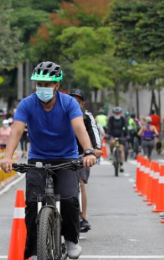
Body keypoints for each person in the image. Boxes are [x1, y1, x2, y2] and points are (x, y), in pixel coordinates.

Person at [0, 61, 97, 260]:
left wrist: (88, 152)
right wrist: (7, 156)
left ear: (57, 85)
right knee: (32, 203)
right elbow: (17, 130)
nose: (42, 88)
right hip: (38, 158)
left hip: (66, 158)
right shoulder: (27, 103)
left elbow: (79, 128)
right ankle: (35, 250)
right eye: (39, 84)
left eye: (47, 84)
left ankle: (71, 240)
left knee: (70, 200)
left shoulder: (68, 103)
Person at [68, 89, 102, 233]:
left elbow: (94, 134)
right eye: (72, 101)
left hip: (81, 155)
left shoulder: (87, 117)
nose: (75, 104)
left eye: (78, 101)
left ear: (83, 103)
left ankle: (82, 218)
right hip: (60, 155)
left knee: (80, 183)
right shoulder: (60, 114)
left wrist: (96, 149)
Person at [107, 107, 128, 172]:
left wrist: (127, 135)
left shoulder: (123, 119)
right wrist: (109, 135)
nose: (117, 114)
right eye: (116, 113)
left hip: (121, 136)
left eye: (118, 113)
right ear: (113, 113)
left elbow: (126, 128)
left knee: (121, 149)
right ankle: (111, 153)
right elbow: (109, 128)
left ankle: (121, 164)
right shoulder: (111, 119)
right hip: (113, 135)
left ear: (120, 113)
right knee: (112, 142)